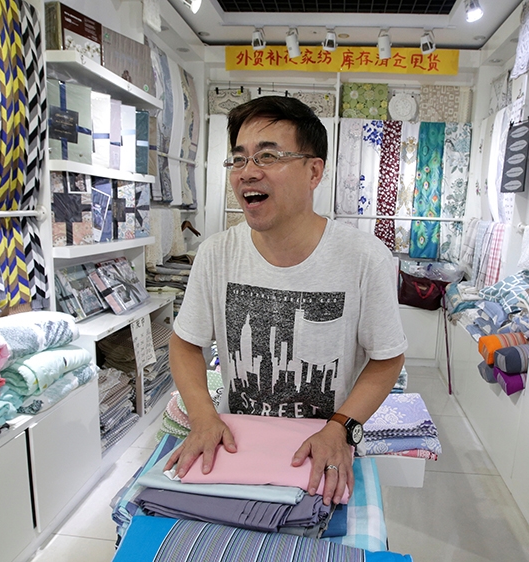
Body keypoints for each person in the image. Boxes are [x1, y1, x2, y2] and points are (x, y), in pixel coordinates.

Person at [165, 95, 407, 506]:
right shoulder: (216, 253)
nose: (247, 172)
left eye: (268, 156)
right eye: (238, 159)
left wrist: (341, 427)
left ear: (314, 171)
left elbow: (387, 358)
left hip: (323, 445)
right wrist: (204, 416)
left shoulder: (364, 258)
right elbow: (186, 343)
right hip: (236, 444)